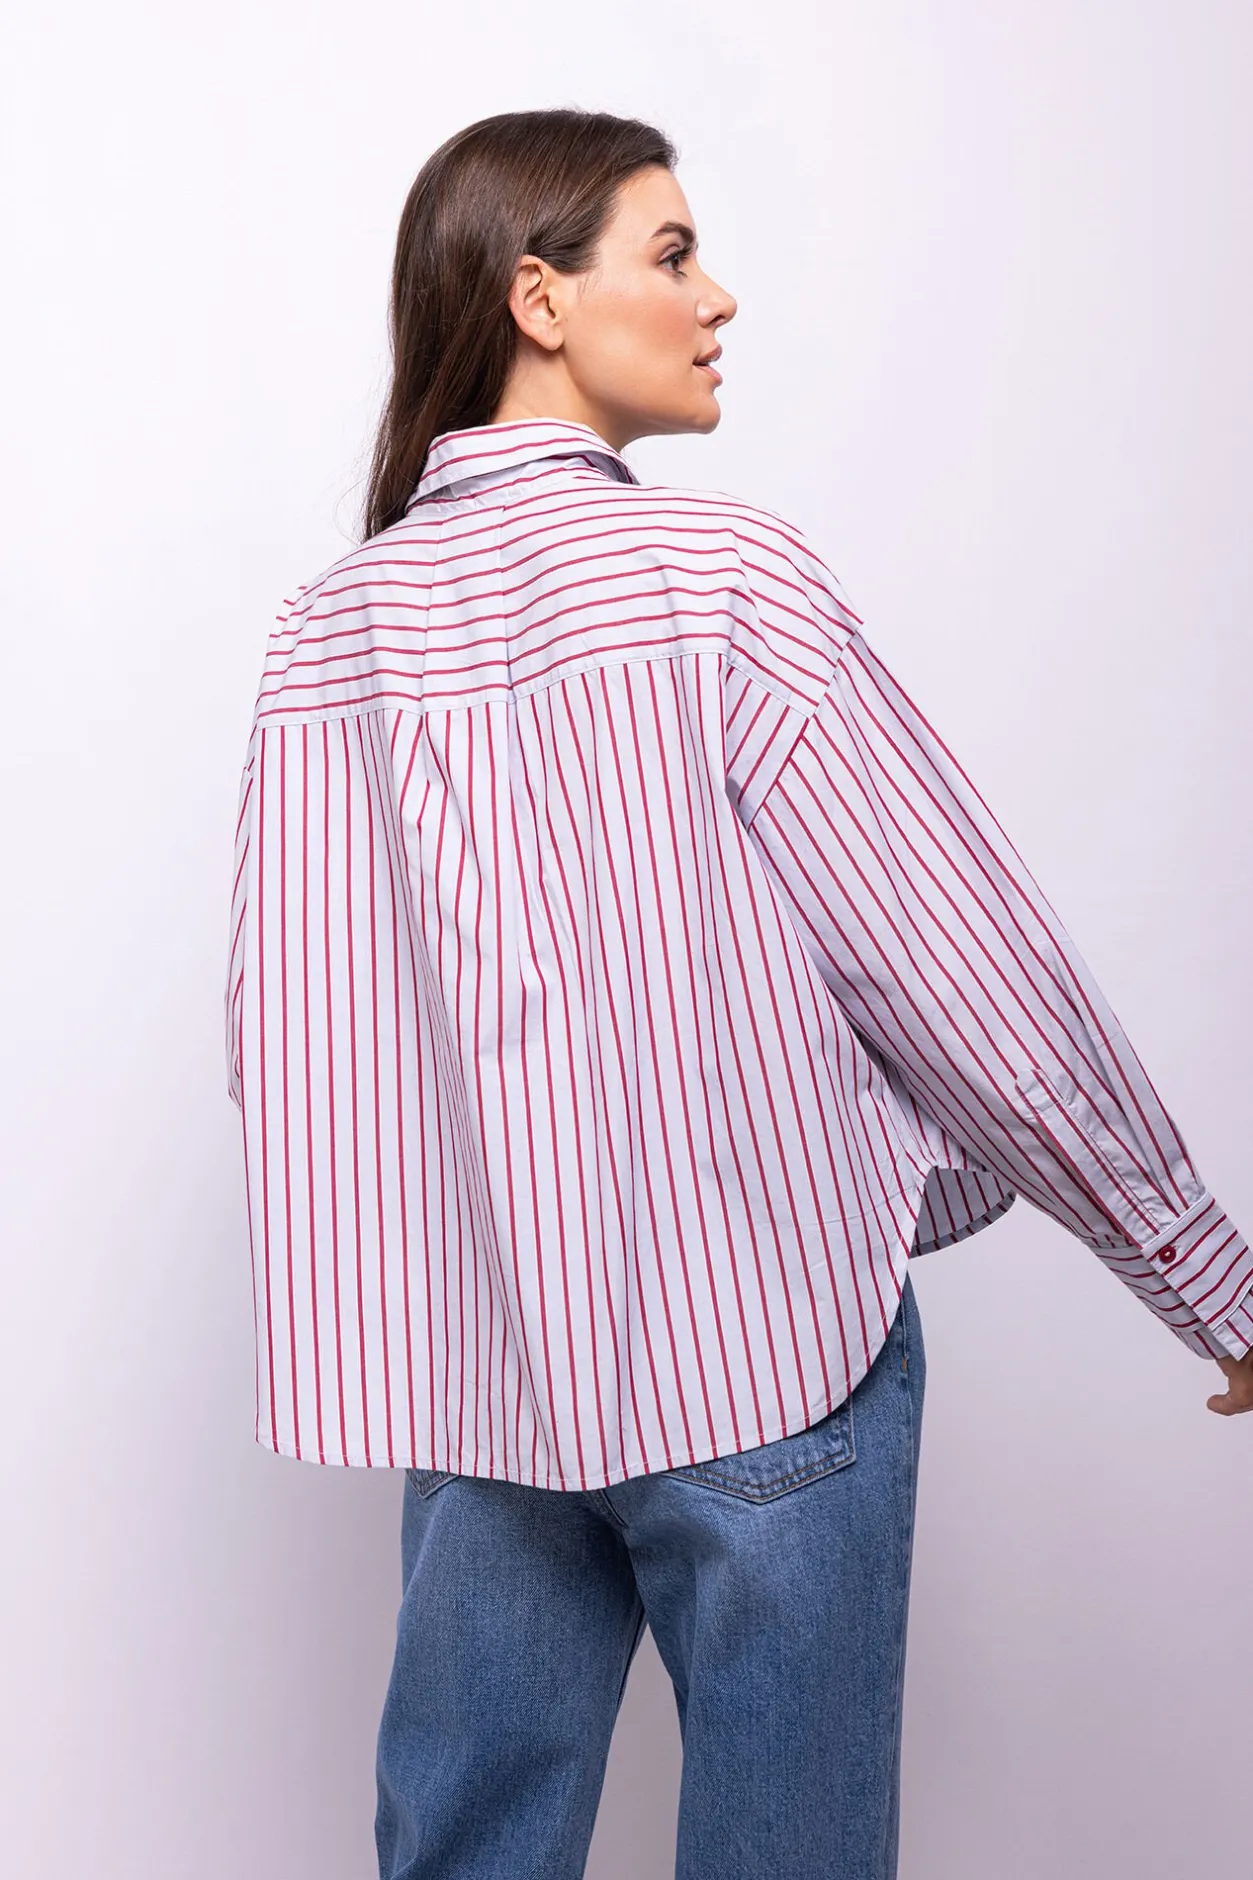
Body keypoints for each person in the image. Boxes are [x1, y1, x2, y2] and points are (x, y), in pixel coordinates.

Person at [224, 107, 1253, 1880]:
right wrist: (1196, 1265)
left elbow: (296, 1045)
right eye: (676, 254)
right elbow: (965, 969)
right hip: (767, 1360)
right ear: (541, 299)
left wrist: (450, 1285)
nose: (719, 299)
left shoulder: (329, 631)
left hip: (482, 1385)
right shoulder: (727, 584)